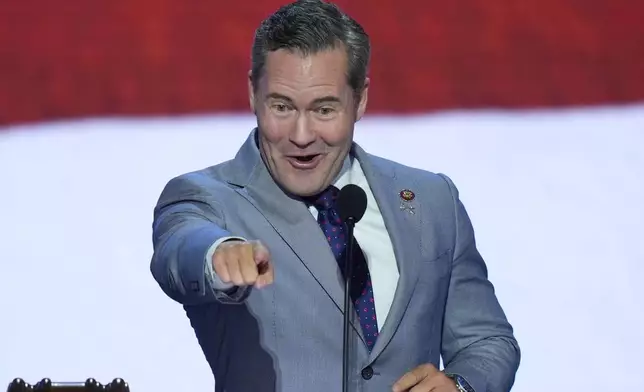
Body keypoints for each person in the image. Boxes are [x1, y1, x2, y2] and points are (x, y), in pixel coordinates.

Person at [150, 1, 520, 391]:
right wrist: (218, 254)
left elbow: (487, 341)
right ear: (253, 94)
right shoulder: (208, 199)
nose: (302, 135)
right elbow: (180, 249)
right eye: (282, 106)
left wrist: (460, 385)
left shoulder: (431, 200)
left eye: (324, 109)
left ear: (359, 99)